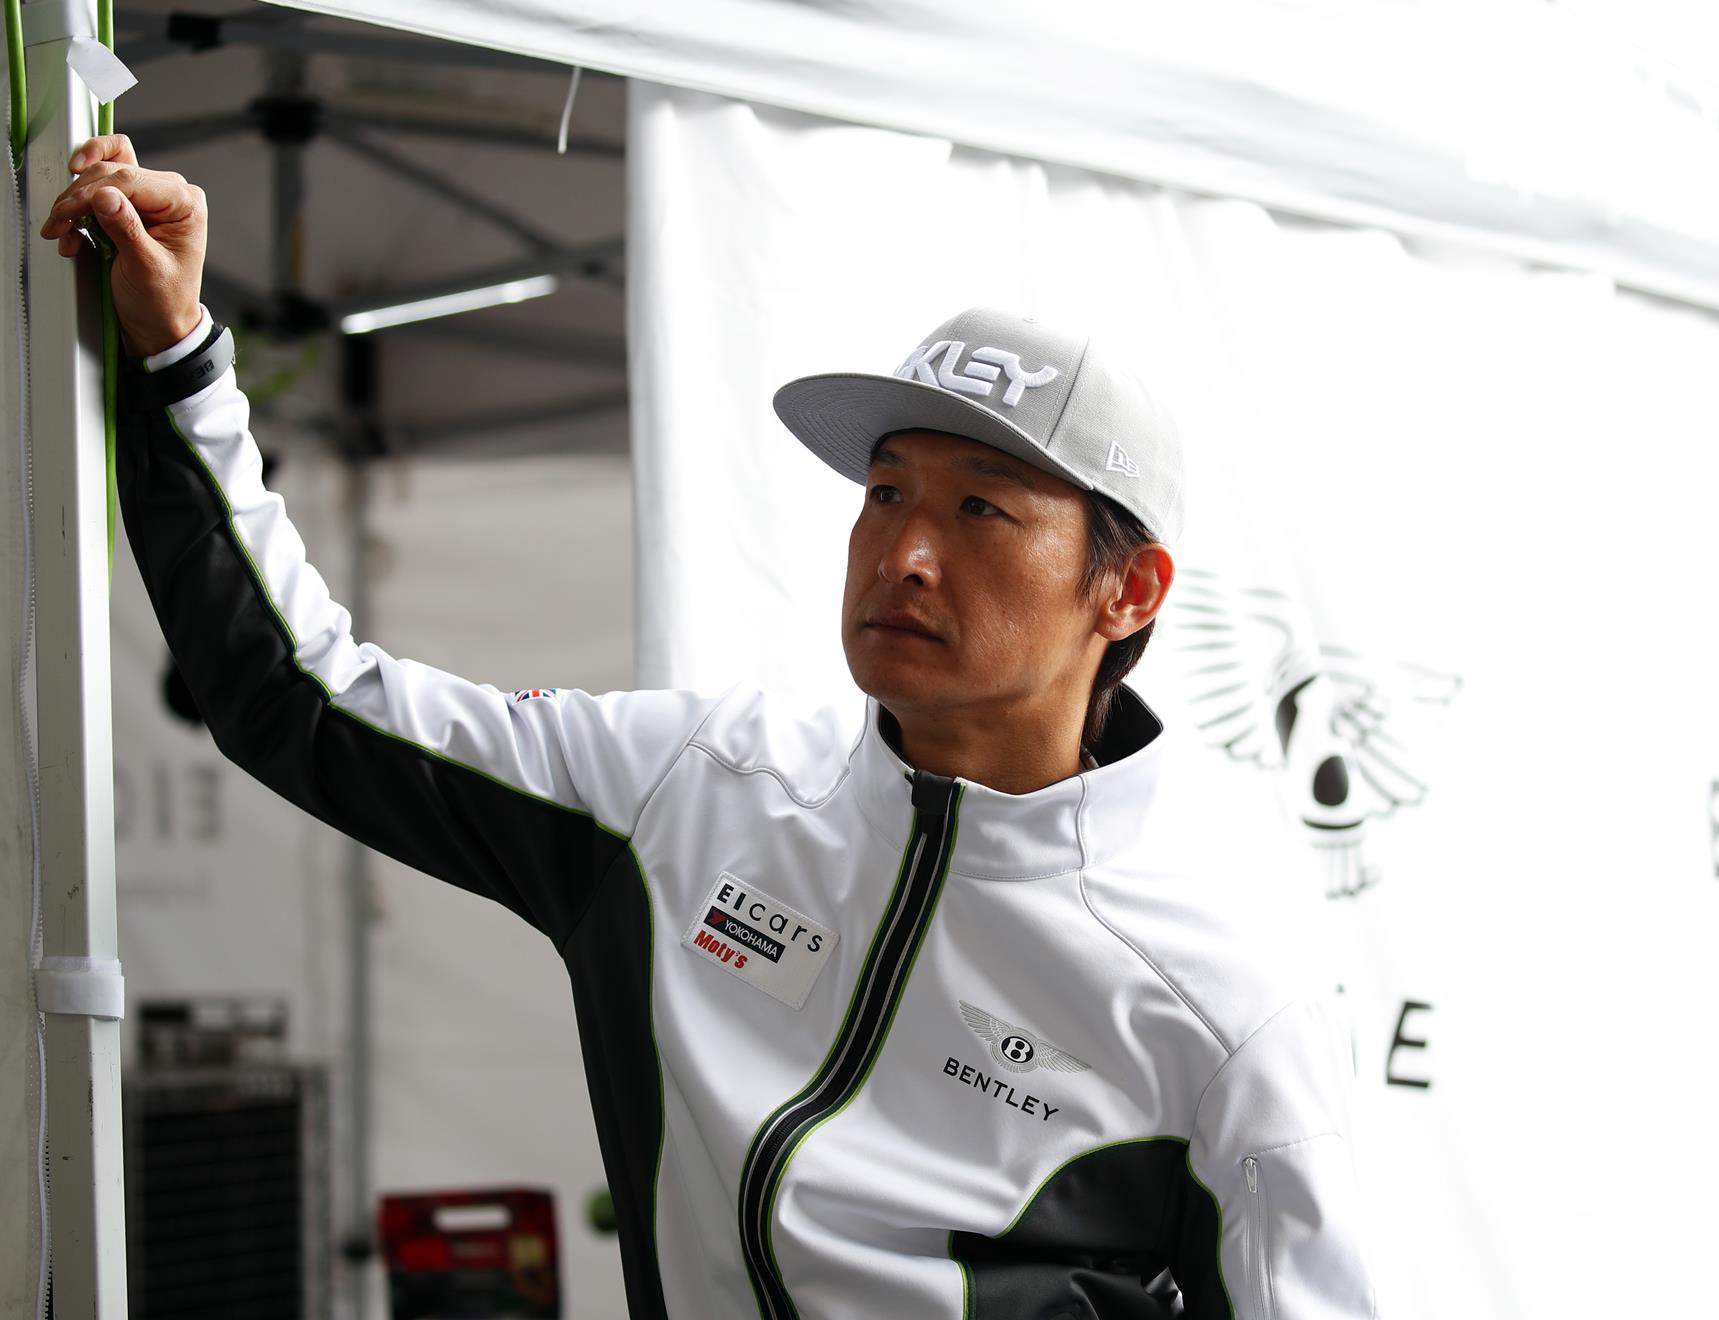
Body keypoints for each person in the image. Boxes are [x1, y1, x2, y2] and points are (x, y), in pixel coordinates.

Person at [42, 134, 1379, 1318]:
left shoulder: (1223, 1006)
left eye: (981, 509)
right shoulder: (689, 791)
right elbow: (301, 699)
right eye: (885, 493)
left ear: (1127, 592)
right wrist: (179, 357)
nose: (905, 554)